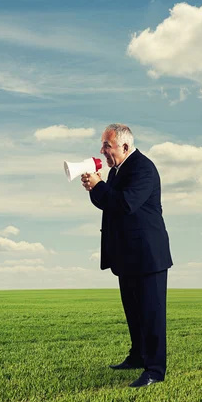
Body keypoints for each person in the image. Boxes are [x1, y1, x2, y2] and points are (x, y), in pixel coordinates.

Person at [81, 124, 172, 387]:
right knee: (133, 311)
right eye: (102, 145)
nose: (102, 150)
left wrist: (99, 186)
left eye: (106, 145)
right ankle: (136, 356)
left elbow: (124, 204)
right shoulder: (116, 171)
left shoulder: (143, 168)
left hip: (147, 256)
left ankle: (155, 370)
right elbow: (107, 204)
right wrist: (94, 188)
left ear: (124, 146)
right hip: (128, 256)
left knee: (151, 314)